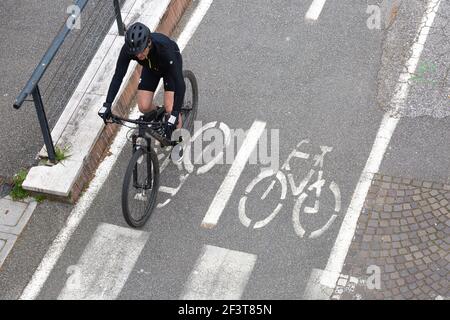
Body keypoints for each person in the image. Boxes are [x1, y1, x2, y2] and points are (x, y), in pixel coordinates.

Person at [100, 22, 185, 140]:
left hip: (169, 68)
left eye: (141, 51)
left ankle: (178, 143)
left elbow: (180, 84)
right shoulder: (129, 49)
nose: (138, 55)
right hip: (151, 68)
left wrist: (175, 113)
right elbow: (118, 76)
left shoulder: (164, 49)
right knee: (144, 107)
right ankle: (159, 116)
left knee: (170, 108)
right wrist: (107, 103)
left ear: (149, 43)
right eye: (135, 53)